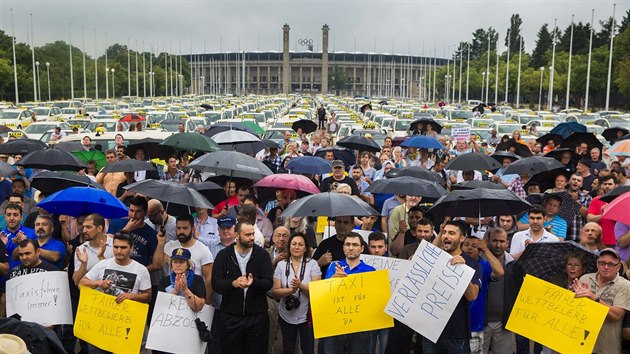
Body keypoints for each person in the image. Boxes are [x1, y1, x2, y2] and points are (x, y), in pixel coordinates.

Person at [211, 222, 273, 354]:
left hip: (256, 317)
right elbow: (216, 284)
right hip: (231, 317)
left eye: (253, 234)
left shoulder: (262, 255)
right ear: (237, 235)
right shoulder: (223, 256)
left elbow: (268, 283)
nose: (252, 237)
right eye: (248, 234)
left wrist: (254, 282)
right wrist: (233, 284)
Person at [426, 221, 481, 354]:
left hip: (457, 333)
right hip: (429, 331)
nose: (446, 236)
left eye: (452, 233)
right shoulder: (432, 259)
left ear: (462, 238)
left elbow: (472, 296)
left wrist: (462, 270)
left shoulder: (471, 263)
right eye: (444, 232)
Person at [324, 232, 376, 354]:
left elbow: (373, 299)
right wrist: (334, 279)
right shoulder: (334, 266)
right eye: (347, 244)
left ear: (362, 248)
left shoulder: (370, 271)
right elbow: (324, 294)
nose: (351, 248)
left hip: (360, 328)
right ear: (343, 247)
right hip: (335, 326)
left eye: (355, 245)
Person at [271, 233, 321, 354]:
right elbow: (275, 292)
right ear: (289, 247)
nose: (296, 247)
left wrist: (300, 285)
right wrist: (290, 291)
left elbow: (317, 291)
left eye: (300, 244)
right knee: (288, 347)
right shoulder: (282, 265)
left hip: (307, 315)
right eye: (294, 244)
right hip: (286, 314)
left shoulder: (313, 264)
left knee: (308, 348)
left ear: (306, 248)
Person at [574, 248, 630, 354]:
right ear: (597, 264)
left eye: (611, 264)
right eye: (602, 263)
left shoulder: (625, 285)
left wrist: (593, 297)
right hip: (581, 344)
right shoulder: (585, 279)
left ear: (618, 267)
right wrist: (573, 296)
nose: (606, 267)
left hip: (606, 348)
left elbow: (616, 315)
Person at [153, 214, 214, 305]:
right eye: (178, 228)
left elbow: (209, 278)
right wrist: (161, 242)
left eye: (185, 228)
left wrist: (207, 303)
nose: (181, 231)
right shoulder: (170, 245)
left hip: (195, 294)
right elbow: (157, 265)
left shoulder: (203, 250)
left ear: (193, 229)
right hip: (172, 293)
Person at [482, 228, 515, 354]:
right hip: (481, 322)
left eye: (502, 241)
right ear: (487, 241)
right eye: (494, 241)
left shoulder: (512, 264)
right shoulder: (479, 260)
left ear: (507, 243)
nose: (498, 245)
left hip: (503, 323)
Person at [157, 247, 206, 313]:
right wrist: (175, 291)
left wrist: (186, 290)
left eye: (181, 262)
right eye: (175, 262)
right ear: (171, 264)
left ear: (188, 264)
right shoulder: (164, 281)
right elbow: (160, 305)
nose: (178, 265)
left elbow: (199, 306)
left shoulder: (197, 279)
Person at [587, 175, 618, 247]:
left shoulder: (620, 201)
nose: (607, 186)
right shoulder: (596, 200)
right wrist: (603, 214)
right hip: (598, 242)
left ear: (616, 185)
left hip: (616, 242)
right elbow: (589, 219)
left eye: (610, 184)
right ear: (601, 185)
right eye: (605, 184)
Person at [4, 203, 36, 270]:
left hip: (27, 272)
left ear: (21, 217)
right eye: (8, 215)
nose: (12, 218)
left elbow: (37, 254)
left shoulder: (32, 233)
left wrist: (25, 242)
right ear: (5, 217)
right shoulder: (1, 235)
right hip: (6, 275)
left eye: (15, 215)